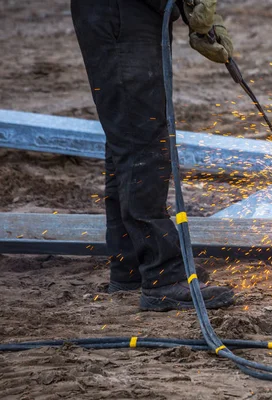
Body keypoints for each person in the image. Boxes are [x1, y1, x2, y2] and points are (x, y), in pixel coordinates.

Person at [70, 0, 235, 311]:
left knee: (128, 132)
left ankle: (131, 266)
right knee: (141, 138)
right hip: (121, 13)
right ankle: (163, 277)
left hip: (126, 13)